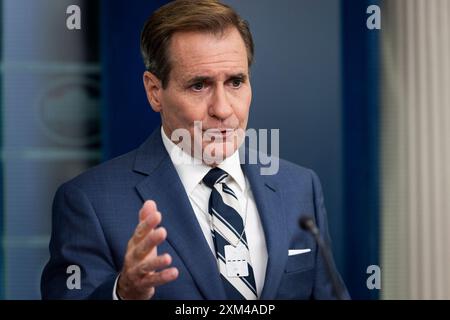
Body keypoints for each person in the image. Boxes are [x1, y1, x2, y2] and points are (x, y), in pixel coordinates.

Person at [41, 0, 349, 300]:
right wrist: (122, 293)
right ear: (154, 92)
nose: (222, 108)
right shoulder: (89, 201)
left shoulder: (299, 187)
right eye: (199, 85)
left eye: (236, 82)